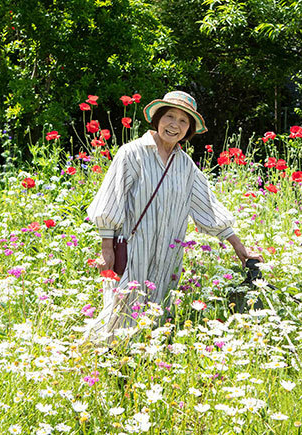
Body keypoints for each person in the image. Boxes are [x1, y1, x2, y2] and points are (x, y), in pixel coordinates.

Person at [84, 90, 263, 339]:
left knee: (156, 313)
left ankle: (143, 363)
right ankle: (105, 362)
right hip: (134, 250)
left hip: (168, 254)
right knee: (120, 311)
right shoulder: (132, 153)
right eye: (169, 116)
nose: (174, 125)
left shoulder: (185, 165)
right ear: (157, 119)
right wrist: (106, 248)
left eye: (183, 121)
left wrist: (239, 247)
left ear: (188, 129)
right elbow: (110, 201)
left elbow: (208, 207)